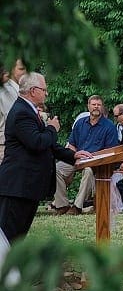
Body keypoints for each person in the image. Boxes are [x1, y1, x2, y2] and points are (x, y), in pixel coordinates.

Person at [0, 72, 78, 243]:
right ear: (33, 91)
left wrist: (74, 156)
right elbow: (37, 142)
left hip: (27, 187)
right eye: (44, 89)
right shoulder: (21, 112)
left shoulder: (29, 110)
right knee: (9, 236)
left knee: (18, 237)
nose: (46, 93)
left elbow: (48, 145)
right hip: (18, 186)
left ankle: (13, 268)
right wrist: (52, 128)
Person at [52, 94, 120, 215]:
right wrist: (75, 155)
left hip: (95, 163)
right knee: (56, 169)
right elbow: (72, 144)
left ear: (102, 108)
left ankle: (77, 206)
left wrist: (91, 159)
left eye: (99, 105)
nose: (96, 107)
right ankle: (62, 204)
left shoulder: (109, 126)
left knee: (88, 171)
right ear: (88, 106)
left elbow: (110, 151)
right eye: (93, 104)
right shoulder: (80, 123)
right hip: (77, 159)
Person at [0, 59, 26, 165]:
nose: (25, 72)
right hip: (5, 147)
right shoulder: (7, 91)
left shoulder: (19, 90)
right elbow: (15, 119)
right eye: (21, 69)